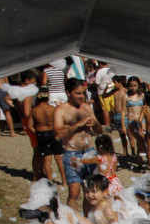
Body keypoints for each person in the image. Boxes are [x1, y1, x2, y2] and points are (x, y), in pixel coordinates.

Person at [53, 77, 102, 214]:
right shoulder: (61, 110)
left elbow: (99, 130)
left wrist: (96, 125)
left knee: (91, 191)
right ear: (68, 93)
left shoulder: (87, 108)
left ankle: (87, 219)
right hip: (72, 153)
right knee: (74, 192)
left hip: (89, 152)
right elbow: (57, 134)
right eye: (78, 93)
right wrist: (77, 125)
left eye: (83, 93)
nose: (81, 97)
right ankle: (72, 223)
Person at [27, 87, 66, 186]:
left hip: (42, 133)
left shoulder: (35, 110)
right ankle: (64, 181)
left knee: (46, 160)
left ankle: (50, 181)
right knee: (59, 158)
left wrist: (37, 132)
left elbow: (29, 126)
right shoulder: (53, 109)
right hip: (53, 132)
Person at [123, 76, 146, 163]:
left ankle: (139, 158)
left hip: (141, 120)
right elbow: (122, 111)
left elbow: (145, 108)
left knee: (140, 140)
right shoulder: (125, 97)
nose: (133, 88)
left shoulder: (142, 96)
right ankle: (137, 156)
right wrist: (122, 125)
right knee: (135, 140)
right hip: (130, 121)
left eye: (135, 86)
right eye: (131, 86)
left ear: (138, 86)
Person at [110, 75, 130, 156]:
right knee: (121, 134)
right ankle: (125, 151)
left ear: (120, 83)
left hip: (124, 114)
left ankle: (133, 150)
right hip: (117, 114)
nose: (113, 84)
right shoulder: (114, 91)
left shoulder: (126, 91)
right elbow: (104, 96)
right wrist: (106, 88)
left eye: (114, 82)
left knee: (129, 133)